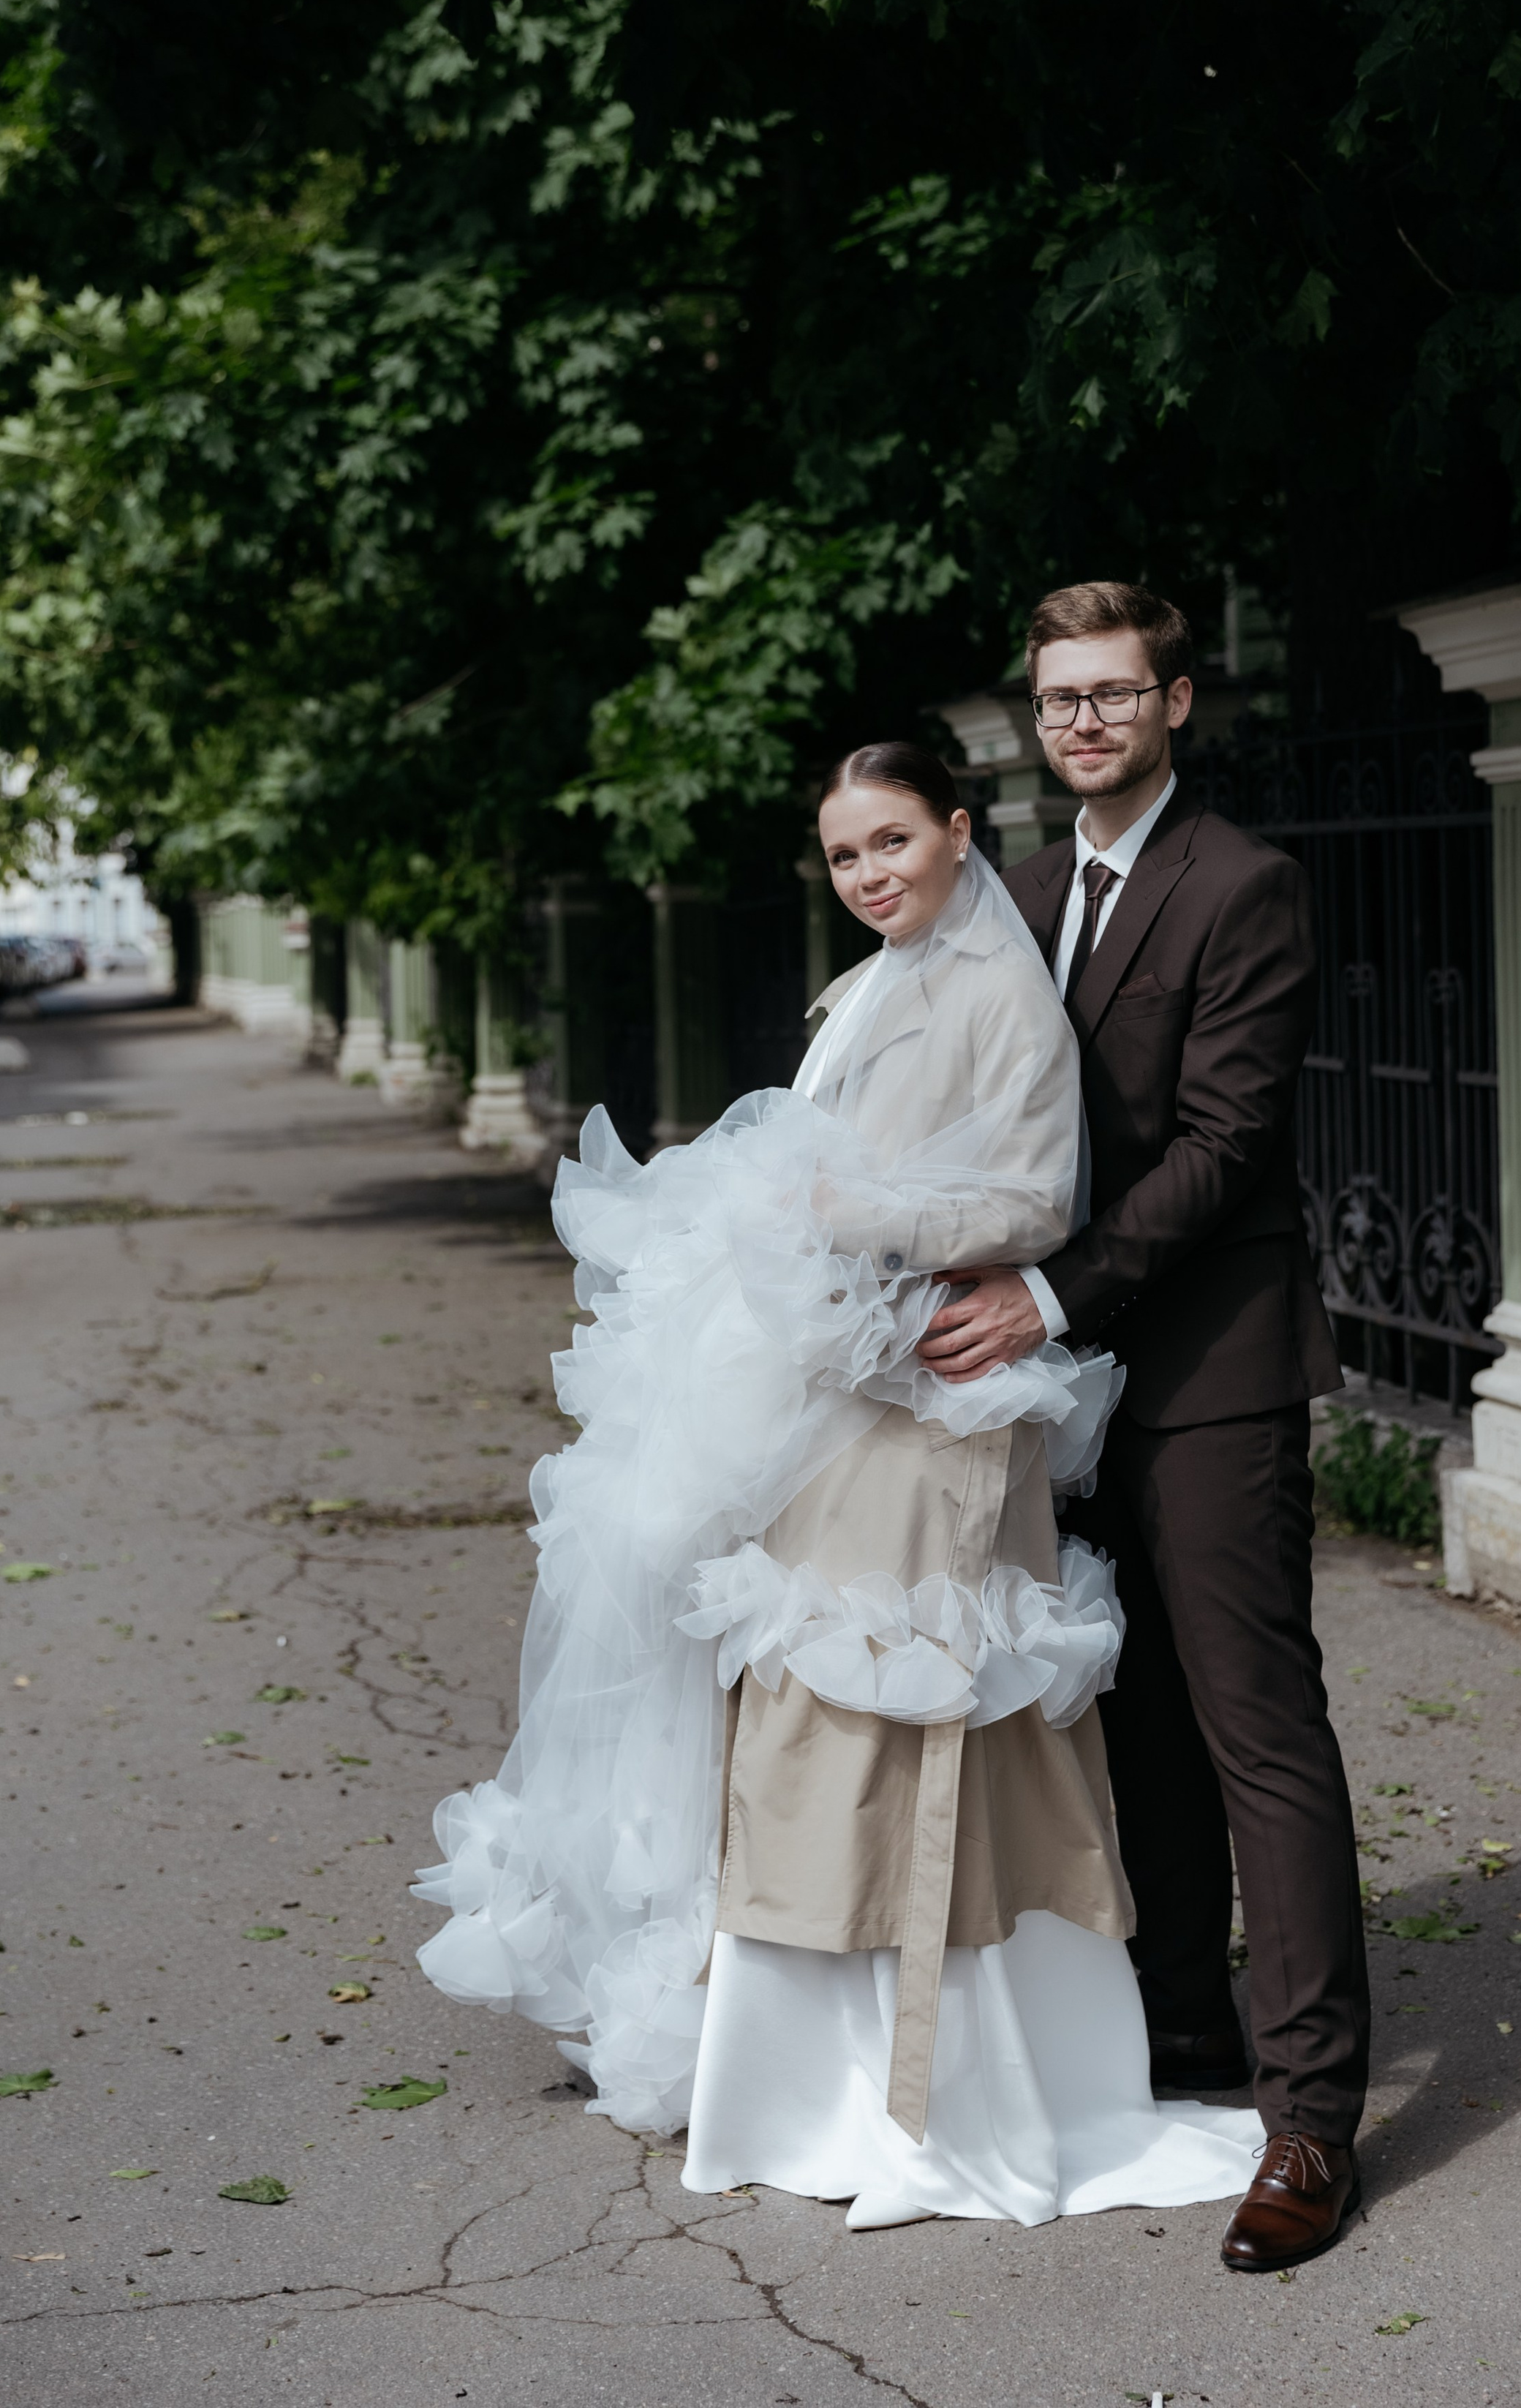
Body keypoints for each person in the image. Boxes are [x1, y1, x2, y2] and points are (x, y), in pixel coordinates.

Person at [410, 739, 1265, 2230]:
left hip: (934, 1403)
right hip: (845, 1403)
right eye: (843, 856)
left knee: (915, 1712)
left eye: (891, 843)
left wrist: (825, 1203)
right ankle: (797, 2075)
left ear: (954, 828)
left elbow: (1033, 1200)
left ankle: (933, 2089)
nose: (868, 875)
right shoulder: (880, 980)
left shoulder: (1001, 995)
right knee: (812, 1716)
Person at [916, 579, 1366, 2273]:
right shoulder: (1012, 895)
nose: (1084, 721)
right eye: (1059, 700)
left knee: (1258, 1731)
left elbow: (1222, 1143)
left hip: (1210, 1364)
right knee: (1135, 1719)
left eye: (1114, 693)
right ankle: (1184, 2042)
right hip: (1059, 1388)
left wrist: (1044, 1297)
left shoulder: (1242, 885)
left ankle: (1310, 2121)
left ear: (1178, 703)